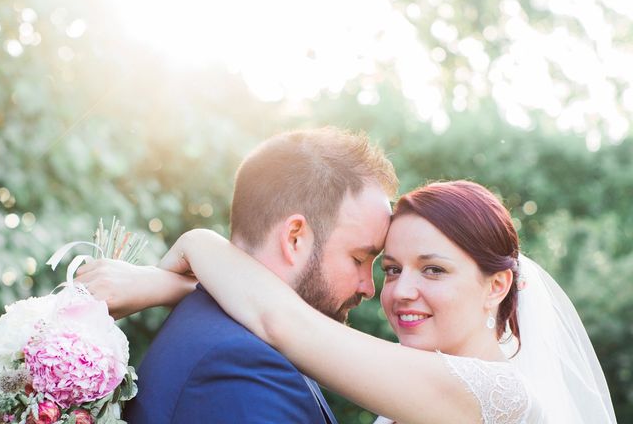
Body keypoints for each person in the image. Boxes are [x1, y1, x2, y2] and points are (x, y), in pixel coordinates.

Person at [80, 180, 617, 423]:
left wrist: (198, 246)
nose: (401, 291)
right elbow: (282, 317)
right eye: (390, 268)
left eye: (433, 269)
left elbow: (285, 323)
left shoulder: (496, 397)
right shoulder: (414, 394)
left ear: (497, 286)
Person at [79, 127, 398, 423]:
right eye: (359, 258)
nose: (369, 287)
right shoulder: (244, 369)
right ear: (295, 238)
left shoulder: (247, 345)